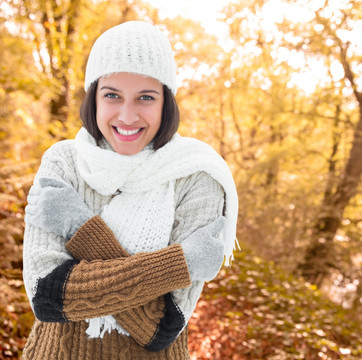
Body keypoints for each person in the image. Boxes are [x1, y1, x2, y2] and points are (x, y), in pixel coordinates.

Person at [22, 21, 239, 359]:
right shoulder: (64, 161)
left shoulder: (197, 177)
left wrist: (78, 226)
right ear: (93, 96)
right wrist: (181, 262)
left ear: (166, 103)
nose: (127, 115)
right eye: (112, 95)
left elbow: (163, 326)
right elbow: (46, 296)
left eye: (145, 98)